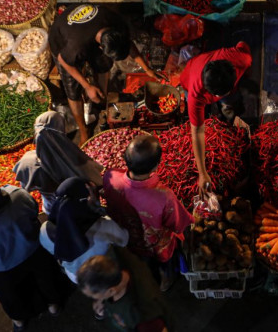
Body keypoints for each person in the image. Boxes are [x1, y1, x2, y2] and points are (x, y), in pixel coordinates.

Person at [0, 166, 70, 331]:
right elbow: (33, 211)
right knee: (45, 278)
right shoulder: (17, 196)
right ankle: (54, 306)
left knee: (10, 296)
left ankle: (19, 321)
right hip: (34, 252)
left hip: (1, 271)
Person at [48, 4, 160, 144]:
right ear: (101, 47)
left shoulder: (115, 22)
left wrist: (147, 69)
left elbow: (128, 43)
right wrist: (87, 86)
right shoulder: (75, 46)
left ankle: (101, 99)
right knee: (73, 90)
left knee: (103, 65)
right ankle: (84, 131)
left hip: (85, 30)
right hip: (61, 41)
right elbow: (64, 62)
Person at [103, 135, 193, 291]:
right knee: (163, 264)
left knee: (140, 263)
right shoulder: (164, 196)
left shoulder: (110, 178)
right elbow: (179, 224)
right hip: (156, 246)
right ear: (156, 167)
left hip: (127, 240)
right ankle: (164, 282)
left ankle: (145, 280)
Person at [179, 42, 252, 195]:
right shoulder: (195, 93)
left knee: (229, 105)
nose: (217, 97)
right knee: (199, 119)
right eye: (215, 95)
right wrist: (202, 172)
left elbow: (241, 44)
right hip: (190, 75)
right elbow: (198, 131)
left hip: (222, 77)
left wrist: (246, 72)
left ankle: (228, 117)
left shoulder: (241, 60)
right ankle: (209, 114)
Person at [40, 177, 129, 283]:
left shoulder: (44, 229)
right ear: (84, 202)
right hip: (102, 274)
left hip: (76, 276)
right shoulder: (103, 226)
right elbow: (125, 239)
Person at [14, 111, 103, 213]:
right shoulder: (72, 159)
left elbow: (24, 188)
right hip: (77, 209)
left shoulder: (28, 163)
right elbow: (95, 183)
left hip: (51, 208)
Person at [77, 249, 173, 331]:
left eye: (93, 296)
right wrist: (101, 300)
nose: (94, 300)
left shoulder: (144, 317)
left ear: (111, 291)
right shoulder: (118, 256)